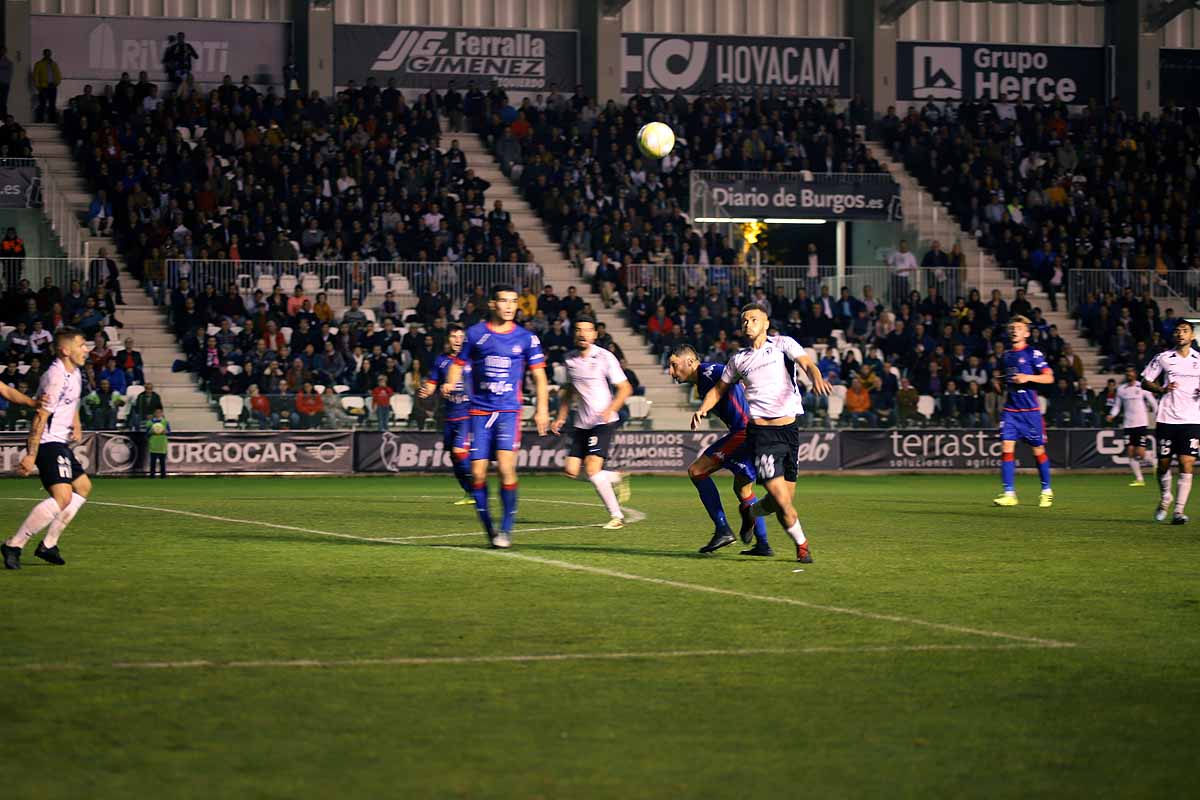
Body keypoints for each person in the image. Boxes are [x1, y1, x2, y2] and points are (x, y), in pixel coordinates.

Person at [692, 306, 832, 563]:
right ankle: (803, 547)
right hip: (762, 434)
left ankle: (751, 512)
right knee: (781, 499)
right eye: (744, 320)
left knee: (783, 501)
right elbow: (720, 389)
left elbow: (807, 363)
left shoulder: (782, 344)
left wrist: (816, 377)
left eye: (754, 319)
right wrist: (702, 408)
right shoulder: (739, 359)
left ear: (766, 323)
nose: (748, 324)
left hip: (790, 431)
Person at [442, 285, 550, 549]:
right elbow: (458, 364)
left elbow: (539, 376)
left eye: (514, 301)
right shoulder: (475, 334)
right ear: (493, 304)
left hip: (508, 412)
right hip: (478, 412)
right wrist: (450, 382)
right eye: (504, 301)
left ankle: (506, 530)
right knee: (477, 475)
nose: (510, 306)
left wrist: (542, 409)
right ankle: (489, 528)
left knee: (505, 468)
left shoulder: (526, 338)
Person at [668, 344, 772, 556]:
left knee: (697, 471)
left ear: (689, 361)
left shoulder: (710, 371)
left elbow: (731, 374)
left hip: (744, 432)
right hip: (753, 432)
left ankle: (722, 529)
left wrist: (702, 410)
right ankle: (763, 544)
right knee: (743, 490)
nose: (671, 371)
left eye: (673, 365)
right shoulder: (702, 384)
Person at [2, 328, 89, 570]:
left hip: (59, 441)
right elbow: (40, 416)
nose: (86, 349)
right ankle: (14, 544)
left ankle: (49, 545)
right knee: (63, 497)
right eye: (81, 345)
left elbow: (73, 401)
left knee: (82, 487)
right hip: (47, 442)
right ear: (65, 350)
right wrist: (31, 454)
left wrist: (76, 422)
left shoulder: (76, 372)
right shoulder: (55, 376)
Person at [551, 315, 632, 530]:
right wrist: (560, 416)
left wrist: (611, 409)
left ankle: (617, 516)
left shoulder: (605, 357)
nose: (582, 333)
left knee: (593, 469)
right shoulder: (569, 359)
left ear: (595, 334)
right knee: (570, 471)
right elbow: (569, 390)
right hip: (581, 423)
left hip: (602, 421)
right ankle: (615, 477)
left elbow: (626, 388)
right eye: (578, 329)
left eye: (587, 330)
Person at [1140, 320, 1200, 524]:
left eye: (1185, 331)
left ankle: (1179, 512)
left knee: (1187, 462)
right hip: (1167, 418)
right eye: (1177, 331)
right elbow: (1145, 381)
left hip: (1192, 419)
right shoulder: (1164, 358)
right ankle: (1166, 496)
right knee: (1164, 465)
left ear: (1192, 336)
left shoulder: (1199, 359)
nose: (1181, 334)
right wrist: (1161, 389)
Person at [993, 315, 1054, 508]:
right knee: (1006, 448)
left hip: (1030, 411)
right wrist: (998, 381)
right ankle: (1009, 493)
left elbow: (1049, 378)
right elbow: (1005, 378)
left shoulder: (1033, 354)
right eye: (1012, 327)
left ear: (1026, 333)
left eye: (1018, 327)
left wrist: (1027, 377)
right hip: (1011, 409)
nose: (1014, 330)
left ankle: (1046, 490)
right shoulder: (1006, 355)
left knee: (1038, 451)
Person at [418, 323, 475, 506]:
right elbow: (432, 383)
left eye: (461, 336)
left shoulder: (472, 360)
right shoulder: (441, 361)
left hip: (468, 413)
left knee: (459, 452)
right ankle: (469, 492)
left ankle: (477, 488)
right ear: (447, 340)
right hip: (449, 416)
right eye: (453, 337)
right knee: (453, 456)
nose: (458, 340)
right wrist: (427, 390)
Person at [1109, 367, 1157, 487]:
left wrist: (1157, 414)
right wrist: (1112, 415)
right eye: (1127, 372)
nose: (1129, 374)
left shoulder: (1142, 386)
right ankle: (1139, 479)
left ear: (1135, 374)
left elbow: (1152, 402)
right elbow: (1117, 406)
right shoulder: (1121, 389)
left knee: (1140, 453)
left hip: (1140, 423)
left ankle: (1154, 462)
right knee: (1130, 452)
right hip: (1128, 424)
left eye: (1131, 372)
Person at [32, 49, 62, 124]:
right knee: (42, 104)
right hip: (43, 86)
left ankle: (52, 120)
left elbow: (58, 74)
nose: (48, 55)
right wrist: (38, 86)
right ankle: (40, 120)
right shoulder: (39, 64)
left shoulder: (54, 64)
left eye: (49, 54)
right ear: (44, 54)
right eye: (46, 53)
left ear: (50, 54)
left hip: (52, 86)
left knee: (52, 104)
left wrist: (57, 82)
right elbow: (35, 76)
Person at [144, 409, 170, 478]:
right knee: (153, 462)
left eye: (159, 412)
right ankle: (152, 476)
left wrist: (165, 432)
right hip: (153, 444)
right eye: (157, 412)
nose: (158, 414)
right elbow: (146, 433)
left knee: (162, 462)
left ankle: (163, 476)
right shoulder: (150, 422)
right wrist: (151, 432)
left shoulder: (165, 422)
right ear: (154, 413)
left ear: (162, 413)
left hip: (162, 444)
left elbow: (169, 432)